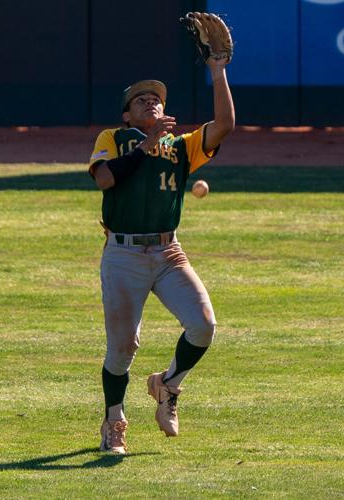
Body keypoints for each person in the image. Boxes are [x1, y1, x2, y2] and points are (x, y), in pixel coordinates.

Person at [88, 15, 235, 455]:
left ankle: (168, 385)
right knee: (122, 347)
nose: (151, 101)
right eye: (141, 99)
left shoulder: (181, 147)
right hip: (124, 255)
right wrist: (145, 144)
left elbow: (224, 124)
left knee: (204, 326)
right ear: (126, 113)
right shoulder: (113, 138)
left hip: (169, 251)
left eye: (156, 98)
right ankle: (114, 420)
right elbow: (104, 181)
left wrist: (218, 70)